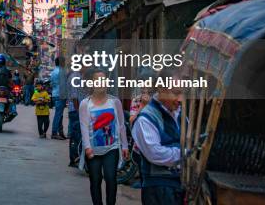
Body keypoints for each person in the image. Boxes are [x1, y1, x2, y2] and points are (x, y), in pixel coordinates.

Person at [131, 75, 183, 205]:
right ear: (161, 89)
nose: (180, 99)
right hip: (159, 188)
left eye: (182, 93)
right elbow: (155, 153)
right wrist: (185, 153)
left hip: (180, 185)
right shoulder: (146, 118)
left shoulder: (180, 113)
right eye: (175, 93)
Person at [80, 69, 129, 205]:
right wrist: (87, 147)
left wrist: (124, 145)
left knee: (110, 178)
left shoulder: (115, 102)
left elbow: (121, 125)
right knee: (95, 180)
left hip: (111, 148)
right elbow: (83, 127)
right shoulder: (85, 104)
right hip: (93, 150)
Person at [67, 67, 88, 167]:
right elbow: (75, 96)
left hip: (78, 109)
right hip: (76, 110)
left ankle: (75, 157)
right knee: (76, 134)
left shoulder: (80, 76)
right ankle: (74, 158)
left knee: (76, 134)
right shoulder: (75, 76)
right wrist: (78, 111)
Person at [50, 57, 66, 140]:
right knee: (58, 115)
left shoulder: (53, 72)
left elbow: (51, 84)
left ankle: (60, 132)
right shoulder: (62, 71)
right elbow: (64, 85)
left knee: (60, 114)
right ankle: (54, 132)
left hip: (55, 94)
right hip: (60, 95)